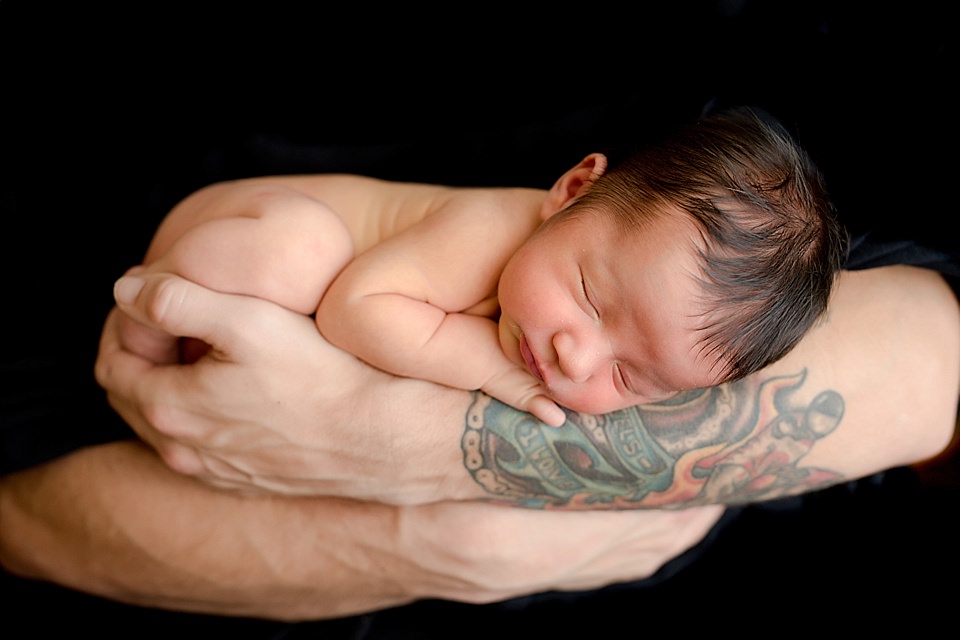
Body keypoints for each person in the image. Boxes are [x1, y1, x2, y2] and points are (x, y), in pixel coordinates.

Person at [121, 108, 845, 428]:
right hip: (226, 240)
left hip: (243, 315)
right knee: (303, 252)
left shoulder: (556, 287)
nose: (574, 355)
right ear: (571, 192)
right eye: (590, 297)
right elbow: (354, 310)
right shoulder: (488, 231)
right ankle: (140, 336)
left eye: (632, 379)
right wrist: (494, 373)